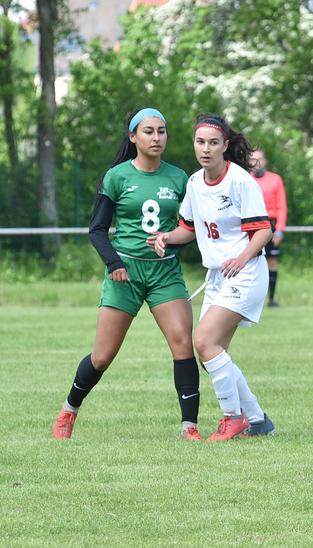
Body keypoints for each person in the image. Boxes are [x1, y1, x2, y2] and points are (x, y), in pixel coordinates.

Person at [52, 108, 203, 441]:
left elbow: (190, 229)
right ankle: (68, 411)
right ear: (133, 136)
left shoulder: (180, 179)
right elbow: (97, 230)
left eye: (162, 131)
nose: (156, 138)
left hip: (165, 273)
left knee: (182, 344)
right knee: (103, 356)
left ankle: (189, 427)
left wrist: (173, 242)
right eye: (148, 131)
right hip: (125, 272)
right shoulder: (117, 176)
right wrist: (114, 264)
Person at [150, 113, 275, 441]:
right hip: (219, 276)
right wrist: (166, 236)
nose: (205, 148)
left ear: (225, 145)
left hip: (246, 272)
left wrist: (241, 256)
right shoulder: (194, 183)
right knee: (212, 355)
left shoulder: (239, 181)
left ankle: (233, 418)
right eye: (200, 142)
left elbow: (263, 230)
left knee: (205, 342)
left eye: (213, 142)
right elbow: (187, 230)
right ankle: (258, 419)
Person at [250, 149, 287, 307]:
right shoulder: (245, 180)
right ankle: (251, 300)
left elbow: (282, 206)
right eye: (253, 160)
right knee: (251, 261)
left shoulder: (275, 179)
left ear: (265, 161)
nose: (256, 163)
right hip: (251, 224)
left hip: (271, 224)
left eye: (259, 159)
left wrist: (279, 230)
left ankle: (271, 299)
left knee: (271, 262)